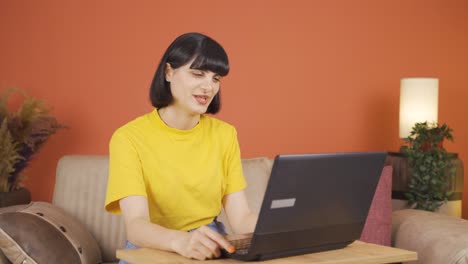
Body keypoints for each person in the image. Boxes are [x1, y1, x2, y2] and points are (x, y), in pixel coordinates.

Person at [104, 32, 257, 262]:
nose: (209, 86)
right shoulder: (128, 138)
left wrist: (287, 227)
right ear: (168, 72)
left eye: (216, 79)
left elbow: (241, 218)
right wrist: (182, 241)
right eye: (197, 74)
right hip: (155, 247)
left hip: (210, 243)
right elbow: (136, 225)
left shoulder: (225, 135)